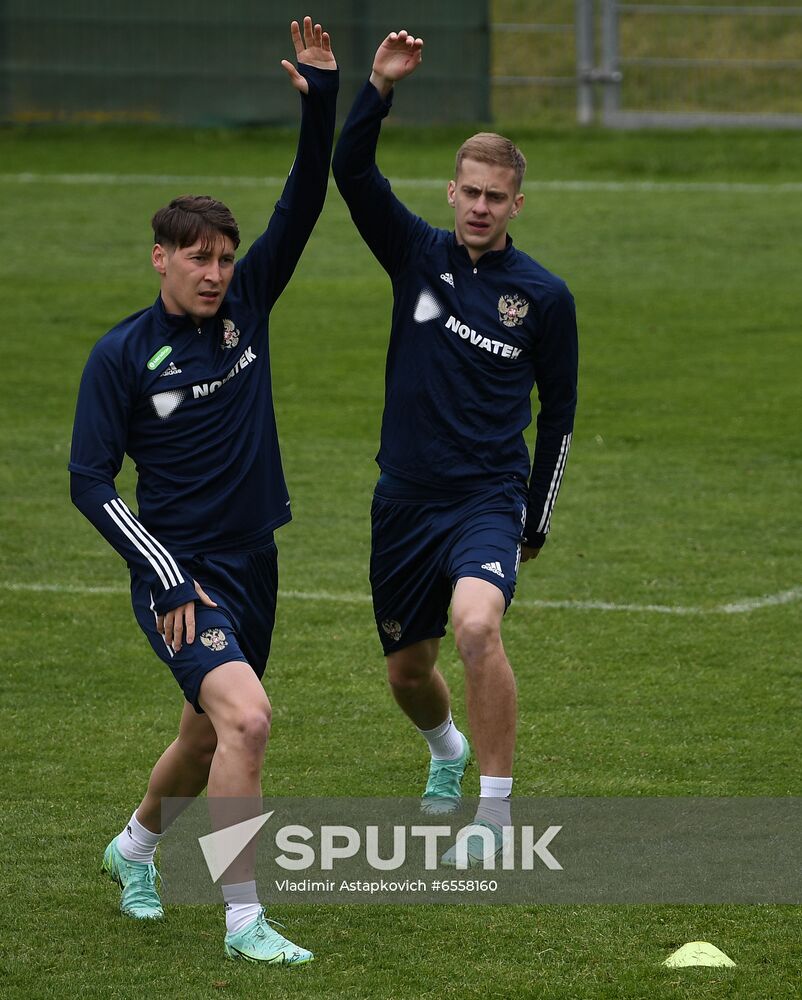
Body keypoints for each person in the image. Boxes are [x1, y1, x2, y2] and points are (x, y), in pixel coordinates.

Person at [69, 18, 337, 964]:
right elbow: (89, 481)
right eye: (199, 258)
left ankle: (134, 848)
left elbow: (305, 200)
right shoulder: (121, 357)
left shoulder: (247, 308)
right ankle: (243, 921)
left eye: (225, 259)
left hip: (254, 559)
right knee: (249, 719)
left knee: (204, 735)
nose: (217, 273)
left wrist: (321, 103)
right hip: (179, 576)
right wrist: (166, 573)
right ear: (162, 257)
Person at [332, 31, 578, 865]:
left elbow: (561, 413)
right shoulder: (415, 254)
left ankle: (495, 814)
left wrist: (534, 518)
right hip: (404, 497)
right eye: (469, 191)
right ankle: (446, 748)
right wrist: (378, 87)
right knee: (408, 672)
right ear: (451, 191)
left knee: (476, 626)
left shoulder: (544, 297)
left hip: (486, 497)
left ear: (517, 205)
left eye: (495, 197)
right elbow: (351, 174)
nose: (479, 206)